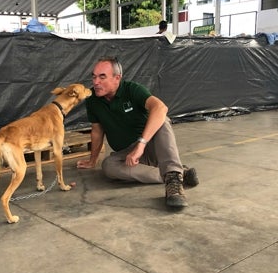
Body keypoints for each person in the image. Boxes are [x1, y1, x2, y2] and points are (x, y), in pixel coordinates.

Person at [76, 57, 199, 208]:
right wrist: (92, 160)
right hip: (127, 155)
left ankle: (173, 181)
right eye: (94, 76)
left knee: (162, 119)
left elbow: (160, 107)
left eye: (102, 77)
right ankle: (179, 175)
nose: (95, 82)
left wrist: (141, 145)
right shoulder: (93, 100)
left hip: (151, 146)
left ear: (117, 78)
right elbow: (97, 131)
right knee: (108, 166)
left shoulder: (132, 89)